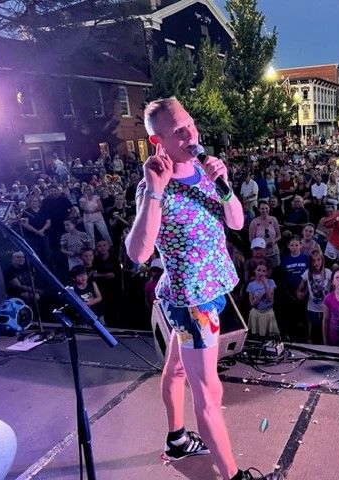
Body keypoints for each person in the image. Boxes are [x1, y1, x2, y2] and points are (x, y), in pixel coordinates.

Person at [124, 97, 282, 480]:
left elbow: (237, 222)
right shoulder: (153, 186)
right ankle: (233, 476)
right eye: (178, 130)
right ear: (158, 141)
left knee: (177, 368)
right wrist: (154, 192)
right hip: (192, 303)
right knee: (209, 391)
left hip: (208, 292)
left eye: (190, 123)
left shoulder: (203, 169)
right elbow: (138, 253)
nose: (190, 133)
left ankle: (177, 439)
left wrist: (224, 186)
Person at [296, 249, 332, 344]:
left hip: (326, 308)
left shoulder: (328, 272)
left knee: (326, 330)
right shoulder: (307, 272)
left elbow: (334, 286)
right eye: (313, 260)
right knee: (314, 330)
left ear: (322, 260)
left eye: (318, 259)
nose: (316, 263)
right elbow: (300, 288)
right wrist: (300, 293)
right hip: (312, 308)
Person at [246, 263, 279, 337]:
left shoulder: (271, 282)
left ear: (266, 273)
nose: (261, 273)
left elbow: (270, 299)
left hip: (268, 312)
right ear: (255, 271)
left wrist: (265, 284)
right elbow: (252, 303)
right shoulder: (251, 285)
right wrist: (262, 293)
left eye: (264, 271)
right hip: (256, 313)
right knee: (256, 336)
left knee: (270, 336)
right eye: (259, 270)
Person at [248, 200, 281, 269]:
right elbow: (251, 240)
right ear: (259, 210)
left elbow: (279, 236)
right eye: (262, 209)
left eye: (266, 208)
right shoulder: (254, 222)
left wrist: (274, 241)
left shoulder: (274, 220)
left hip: (274, 252)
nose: (265, 210)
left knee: (276, 271)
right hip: (261, 254)